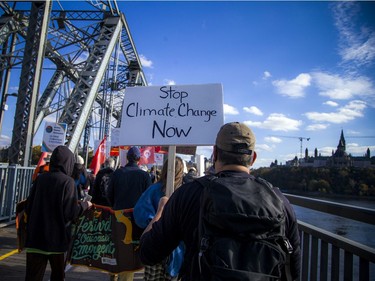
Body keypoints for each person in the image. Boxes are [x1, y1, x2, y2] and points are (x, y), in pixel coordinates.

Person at [139, 122, 301, 281]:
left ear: (215, 153)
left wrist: (160, 211)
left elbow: (148, 253)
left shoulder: (189, 194)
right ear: (253, 158)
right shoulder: (280, 202)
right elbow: (293, 271)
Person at [24, 145, 92, 281]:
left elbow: (28, 207)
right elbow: (70, 213)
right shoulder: (68, 182)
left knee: (32, 277)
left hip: (35, 240)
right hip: (57, 241)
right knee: (58, 276)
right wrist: (84, 206)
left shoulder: (40, 179)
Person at [134, 157, 185, 281]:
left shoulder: (155, 190)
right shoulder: (185, 193)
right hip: (172, 247)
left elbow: (140, 216)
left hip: (159, 245)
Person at [107, 146, 152, 281]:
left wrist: (116, 206)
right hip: (135, 220)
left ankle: (113, 274)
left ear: (127, 158)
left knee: (116, 247)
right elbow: (148, 200)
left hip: (117, 216)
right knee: (130, 251)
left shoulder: (117, 173)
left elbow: (109, 194)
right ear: (139, 159)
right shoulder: (144, 176)